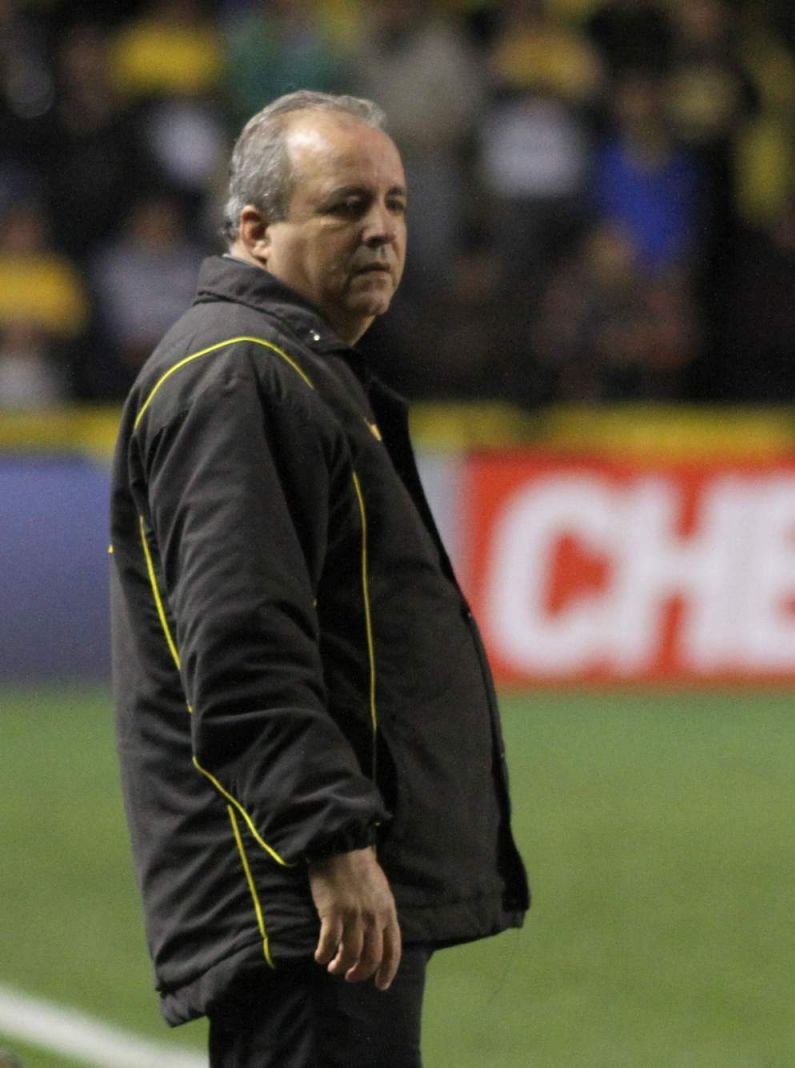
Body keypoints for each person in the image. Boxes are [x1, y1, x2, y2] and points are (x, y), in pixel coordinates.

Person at [107, 91, 528, 1067]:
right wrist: (330, 843)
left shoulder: (293, 367)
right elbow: (241, 640)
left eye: (396, 204)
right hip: (303, 898)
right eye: (346, 205)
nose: (382, 229)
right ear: (255, 230)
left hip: (319, 890)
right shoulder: (238, 373)